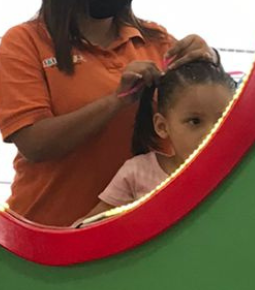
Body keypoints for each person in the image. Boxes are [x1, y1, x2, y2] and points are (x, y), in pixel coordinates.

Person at [0, 0, 217, 227]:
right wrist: (116, 100)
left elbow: (206, 128)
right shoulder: (25, 43)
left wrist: (207, 64)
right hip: (48, 232)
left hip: (143, 238)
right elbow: (35, 143)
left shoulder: (156, 41)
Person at [77, 59, 236, 224]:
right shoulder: (137, 173)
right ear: (162, 126)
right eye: (194, 121)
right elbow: (86, 228)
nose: (212, 132)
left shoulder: (237, 174)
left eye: (224, 119)